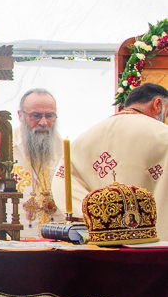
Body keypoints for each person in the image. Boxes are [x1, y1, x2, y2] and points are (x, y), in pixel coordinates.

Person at [52, 82, 168, 239]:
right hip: (152, 242)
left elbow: (63, 181)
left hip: (103, 241)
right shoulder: (163, 135)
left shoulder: (86, 137)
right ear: (157, 104)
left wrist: (99, 219)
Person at [13, 89, 64, 236]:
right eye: (35, 115)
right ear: (20, 115)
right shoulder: (3, 148)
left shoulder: (65, 151)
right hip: (14, 242)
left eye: (50, 116)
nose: (43, 122)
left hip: (57, 242)